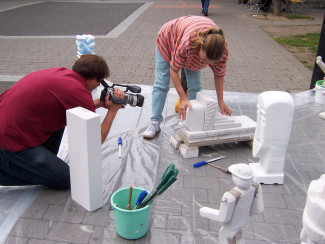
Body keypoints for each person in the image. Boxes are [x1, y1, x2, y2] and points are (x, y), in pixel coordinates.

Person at [0, 54, 124, 189]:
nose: (99, 85)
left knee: (64, 114)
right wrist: (113, 111)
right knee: (66, 179)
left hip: (10, 124)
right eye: (100, 81)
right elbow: (95, 139)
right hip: (9, 139)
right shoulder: (78, 91)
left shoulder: (63, 74)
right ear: (93, 78)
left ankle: (37, 164)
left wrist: (99, 104)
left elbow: (78, 107)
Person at [143, 16, 232, 139]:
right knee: (162, 83)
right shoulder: (187, 44)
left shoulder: (221, 50)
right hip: (168, 38)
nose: (207, 64)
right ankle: (155, 122)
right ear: (201, 46)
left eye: (211, 63)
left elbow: (219, 74)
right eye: (205, 60)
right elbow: (173, 71)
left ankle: (193, 122)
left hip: (190, 45)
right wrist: (183, 98)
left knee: (195, 86)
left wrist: (221, 101)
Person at [200, 163, 264, 243]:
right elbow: (258, 209)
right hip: (243, 222)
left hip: (230, 227)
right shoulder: (256, 186)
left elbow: (223, 217)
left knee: (226, 238)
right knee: (239, 238)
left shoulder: (230, 196)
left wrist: (204, 211)